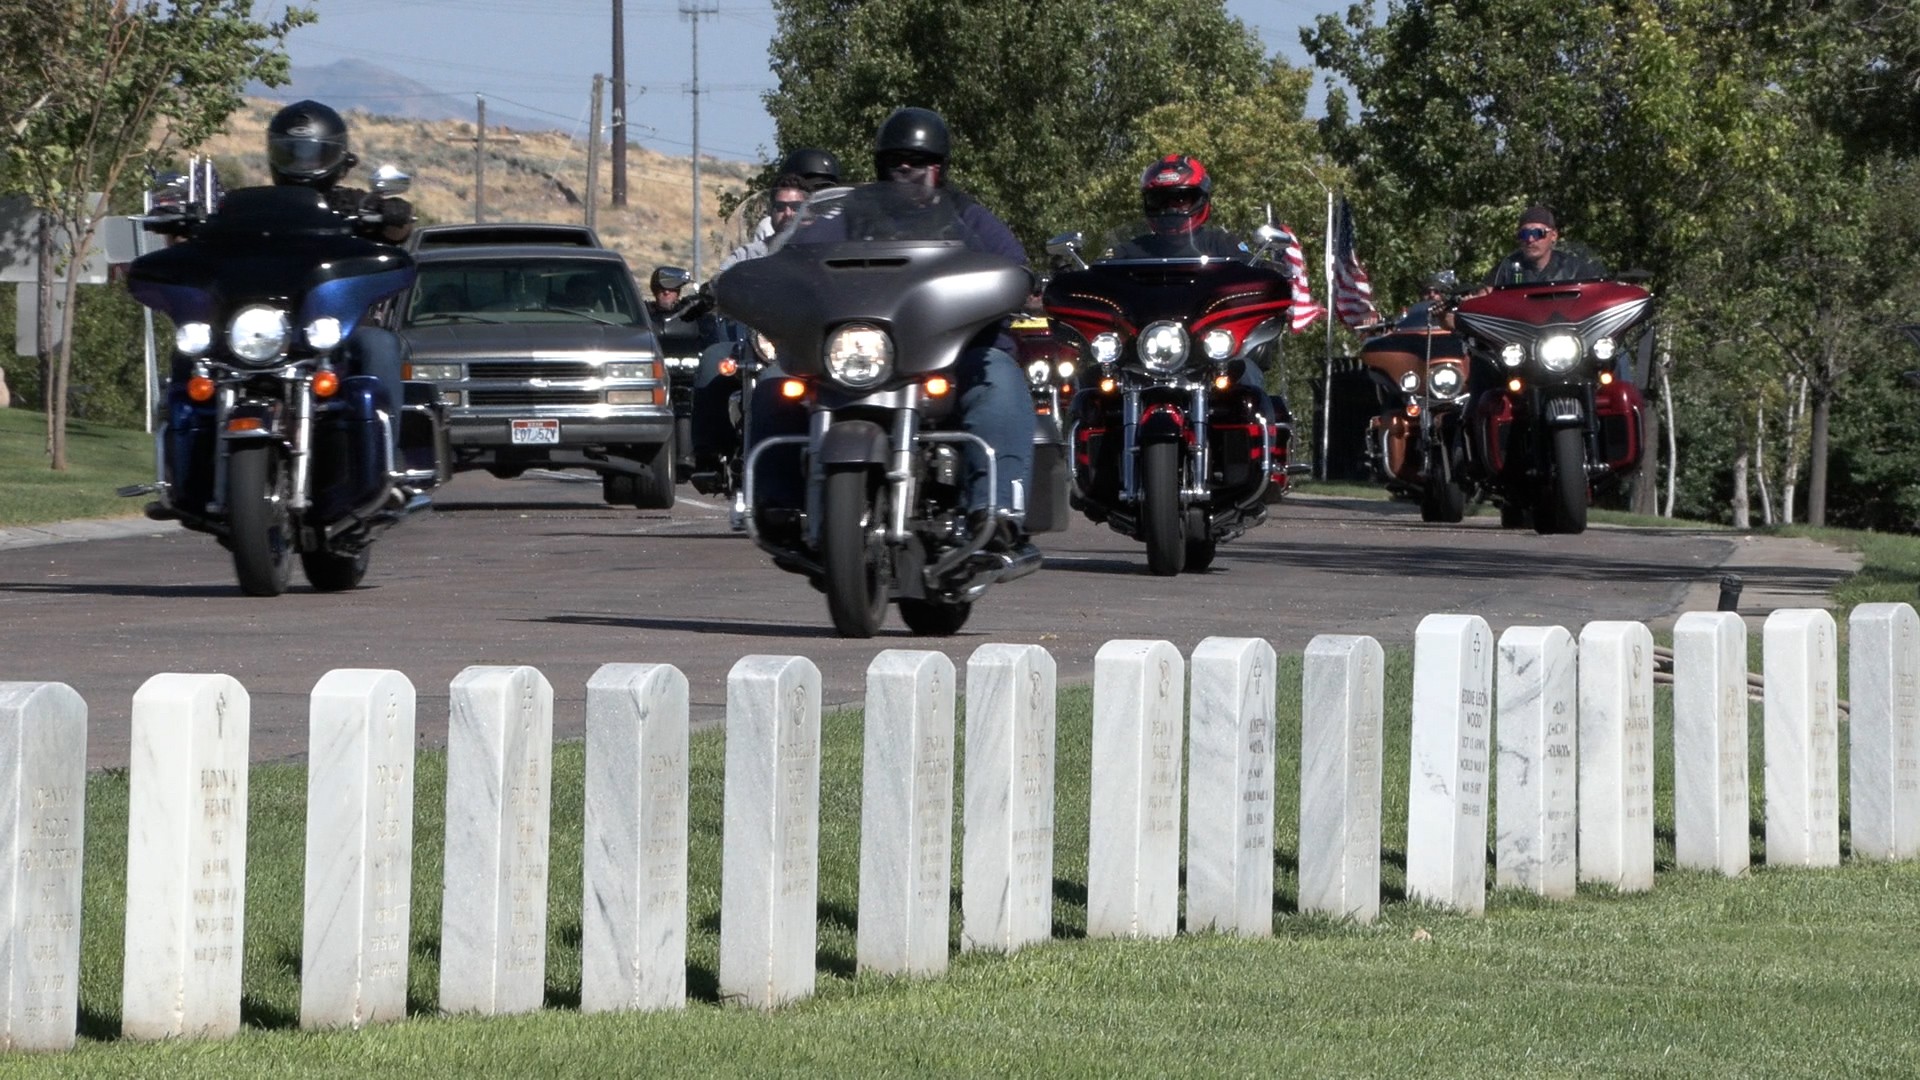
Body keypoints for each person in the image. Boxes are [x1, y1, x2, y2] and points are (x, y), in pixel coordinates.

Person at [750, 107, 1037, 557]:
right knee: (774, 385)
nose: (905, 168)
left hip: (950, 356)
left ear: (939, 167)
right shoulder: (847, 215)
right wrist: (768, 277)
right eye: (895, 160)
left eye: (917, 160)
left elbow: (1013, 266)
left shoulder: (969, 217)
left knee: (998, 378)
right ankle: (777, 505)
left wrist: (1018, 281)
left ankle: (996, 512)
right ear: (879, 165)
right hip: (860, 354)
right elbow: (797, 257)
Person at [1108, 155, 1250, 261]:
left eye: (1181, 199)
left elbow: (1255, 273)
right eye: (1160, 199)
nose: (1170, 208)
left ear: (1200, 199)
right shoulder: (1129, 252)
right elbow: (1099, 277)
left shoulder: (1221, 244)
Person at [1482, 204, 1605, 287]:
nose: (1530, 239)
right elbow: (1484, 297)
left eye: (1537, 233)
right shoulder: (1506, 268)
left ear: (1554, 235)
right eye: (1524, 234)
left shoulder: (1575, 269)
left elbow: (1599, 293)